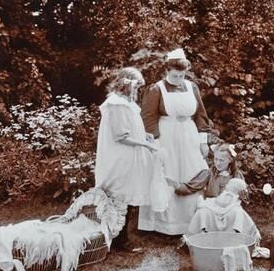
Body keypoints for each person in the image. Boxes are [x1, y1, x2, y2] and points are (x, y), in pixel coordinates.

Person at [138, 48, 212, 235]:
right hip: (166, 136)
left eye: (182, 75)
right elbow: (148, 118)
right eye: (175, 75)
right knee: (168, 173)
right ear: (167, 71)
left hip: (189, 135)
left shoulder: (192, 87)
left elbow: (201, 115)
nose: (179, 78)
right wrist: (154, 143)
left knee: (192, 170)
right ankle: (164, 224)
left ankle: (190, 222)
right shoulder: (157, 89)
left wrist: (203, 141)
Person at [95, 67, 158, 249]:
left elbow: (130, 128)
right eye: (136, 87)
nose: (137, 91)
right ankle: (118, 239)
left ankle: (120, 237)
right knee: (120, 194)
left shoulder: (125, 103)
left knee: (128, 193)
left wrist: (145, 135)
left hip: (128, 154)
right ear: (126, 84)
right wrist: (145, 145)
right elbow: (121, 136)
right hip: (120, 156)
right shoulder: (117, 104)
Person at [187, 178, 261, 243]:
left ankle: (202, 203)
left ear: (234, 188)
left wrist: (215, 201)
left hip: (224, 208)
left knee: (206, 205)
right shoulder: (230, 194)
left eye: (228, 184)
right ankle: (203, 203)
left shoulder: (229, 195)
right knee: (205, 208)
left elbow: (221, 202)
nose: (226, 185)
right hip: (223, 207)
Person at [169, 143, 245, 199]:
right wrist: (176, 185)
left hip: (229, 208)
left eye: (221, 160)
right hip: (212, 207)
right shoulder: (209, 173)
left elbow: (243, 195)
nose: (217, 163)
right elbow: (192, 187)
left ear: (230, 160)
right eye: (216, 159)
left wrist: (240, 194)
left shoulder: (237, 176)